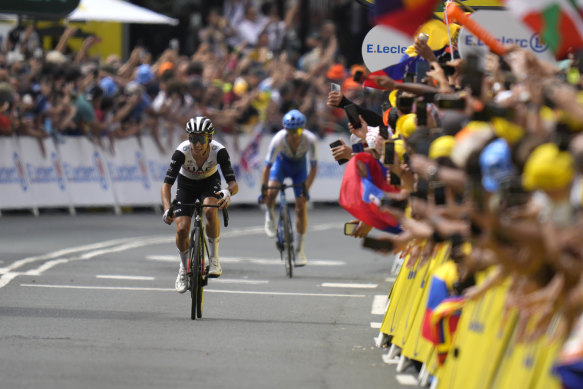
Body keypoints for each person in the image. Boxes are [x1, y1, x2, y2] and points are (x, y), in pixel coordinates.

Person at [161, 116, 238, 293]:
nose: (196, 143)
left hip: (208, 182)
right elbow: (166, 185)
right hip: (186, 184)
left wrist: (228, 192)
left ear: (209, 139)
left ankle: (214, 259)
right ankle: (183, 268)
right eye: (192, 138)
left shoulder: (219, 151)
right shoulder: (182, 152)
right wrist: (166, 209)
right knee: (181, 229)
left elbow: (233, 184)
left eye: (200, 139)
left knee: (211, 210)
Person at [259, 109, 318, 266]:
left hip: (299, 169)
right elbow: (267, 167)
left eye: (297, 130)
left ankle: (299, 250)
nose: (293, 134)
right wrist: (264, 190)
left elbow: (313, 167)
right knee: (272, 192)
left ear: (303, 129)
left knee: (301, 206)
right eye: (290, 130)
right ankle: (269, 215)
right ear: (285, 129)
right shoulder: (278, 139)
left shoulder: (310, 140)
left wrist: (306, 188)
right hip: (281, 166)